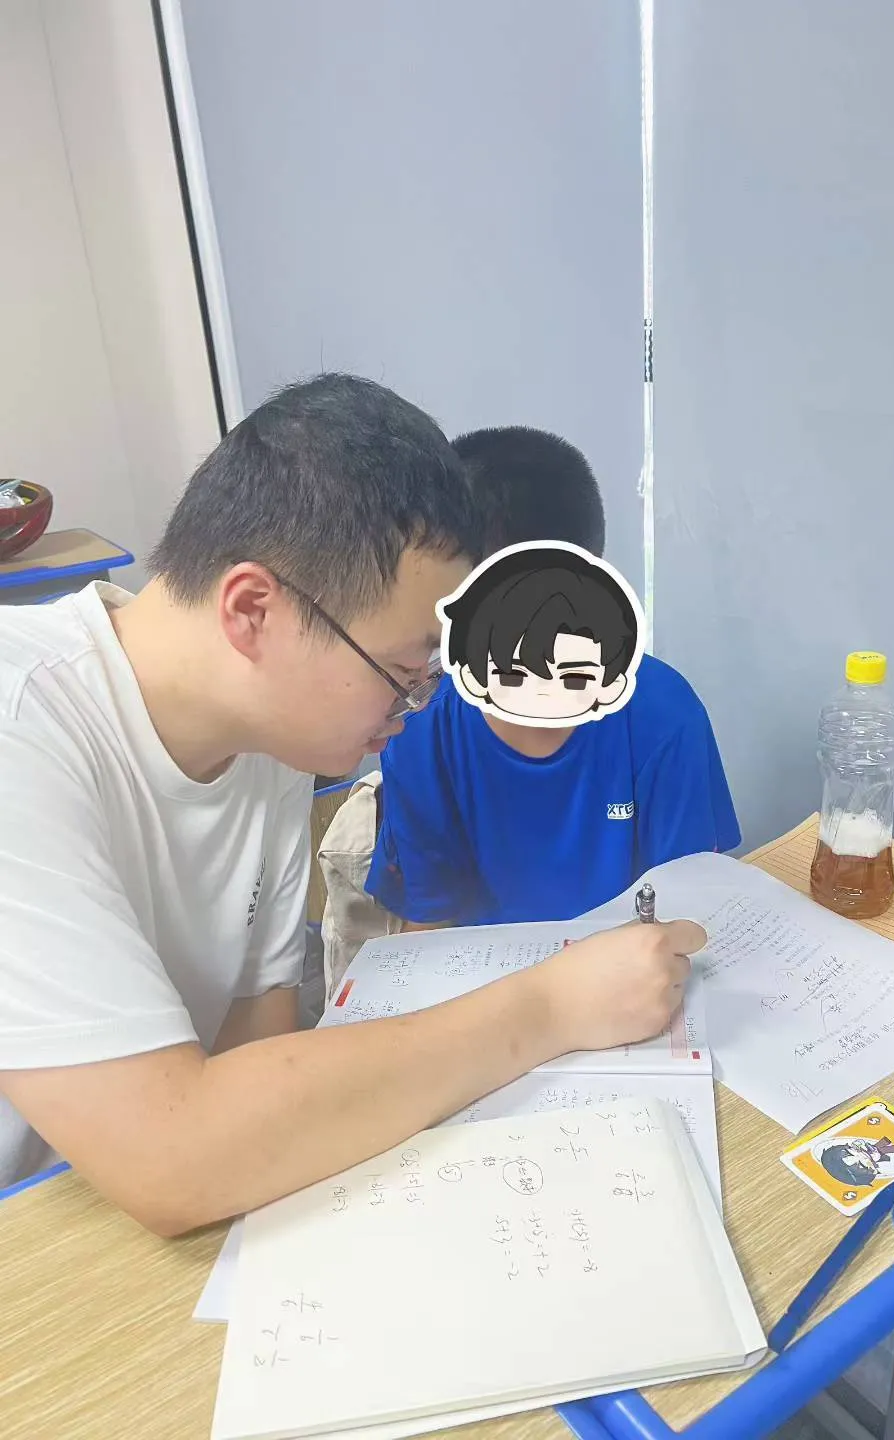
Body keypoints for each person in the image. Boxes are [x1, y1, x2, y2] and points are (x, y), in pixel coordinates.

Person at [0, 376, 703, 1226]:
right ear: (253, 612)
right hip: (44, 1226)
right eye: (403, 673)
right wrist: (550, 1007)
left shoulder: (266, 739)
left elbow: (259, 1050)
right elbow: (172, 1157)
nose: (413, 709)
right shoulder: (22, 724)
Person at [367, 426, 740, 928]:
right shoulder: (421, 727)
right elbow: (429, 930)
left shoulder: (663, 717)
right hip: (483, 974)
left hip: (633, 968)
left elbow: (685, 918)